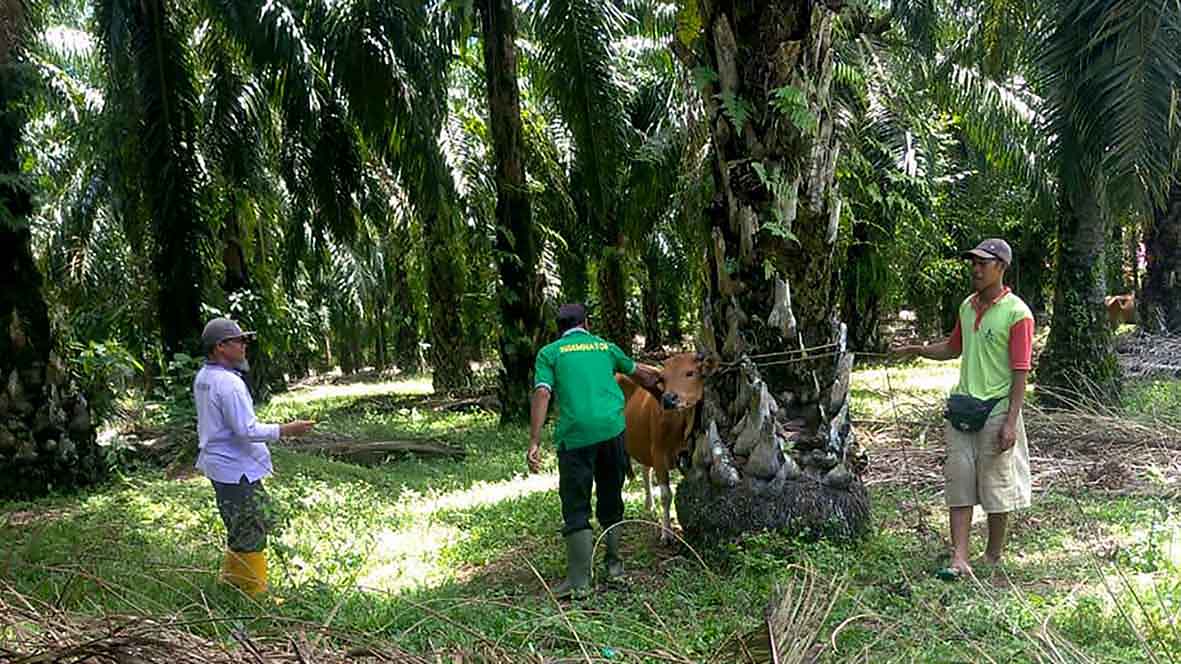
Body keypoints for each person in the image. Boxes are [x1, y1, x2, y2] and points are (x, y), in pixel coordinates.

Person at [893, 239, 1034, 580]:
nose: (976, 268)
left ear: (1001, 267)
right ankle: (959, 558)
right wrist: (918, 349)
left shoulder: (1018, 313)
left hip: (997, 409)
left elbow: (1021, 372)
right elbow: (954, 348)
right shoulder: (967, 307)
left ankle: (993, 554)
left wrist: (1011, 422)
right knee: (959, 482)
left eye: (983, 263)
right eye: (973, 262)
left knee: (996, 486)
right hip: (962, 407)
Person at [528, 304, 660, 599]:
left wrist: (534, 441)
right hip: (613, 432)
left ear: (559, 328)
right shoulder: (605, 347)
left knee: (576, 504)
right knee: (611, 497)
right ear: (586, 323)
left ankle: (579, 582)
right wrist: (668, 383)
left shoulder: (550, 353)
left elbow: (542, 392)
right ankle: (614, 568)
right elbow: (642, 375)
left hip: (576, 438)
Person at [194, 317, 315, 596]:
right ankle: (254, 595)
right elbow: (245, 430)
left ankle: (232, 582)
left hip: (220, 465)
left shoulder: (204, 377)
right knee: (251, 526)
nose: (244, 346)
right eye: (239, 341)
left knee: (243, 522)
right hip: (236, 468)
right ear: (221, 347)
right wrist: (287, 430)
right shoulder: (227, 383)